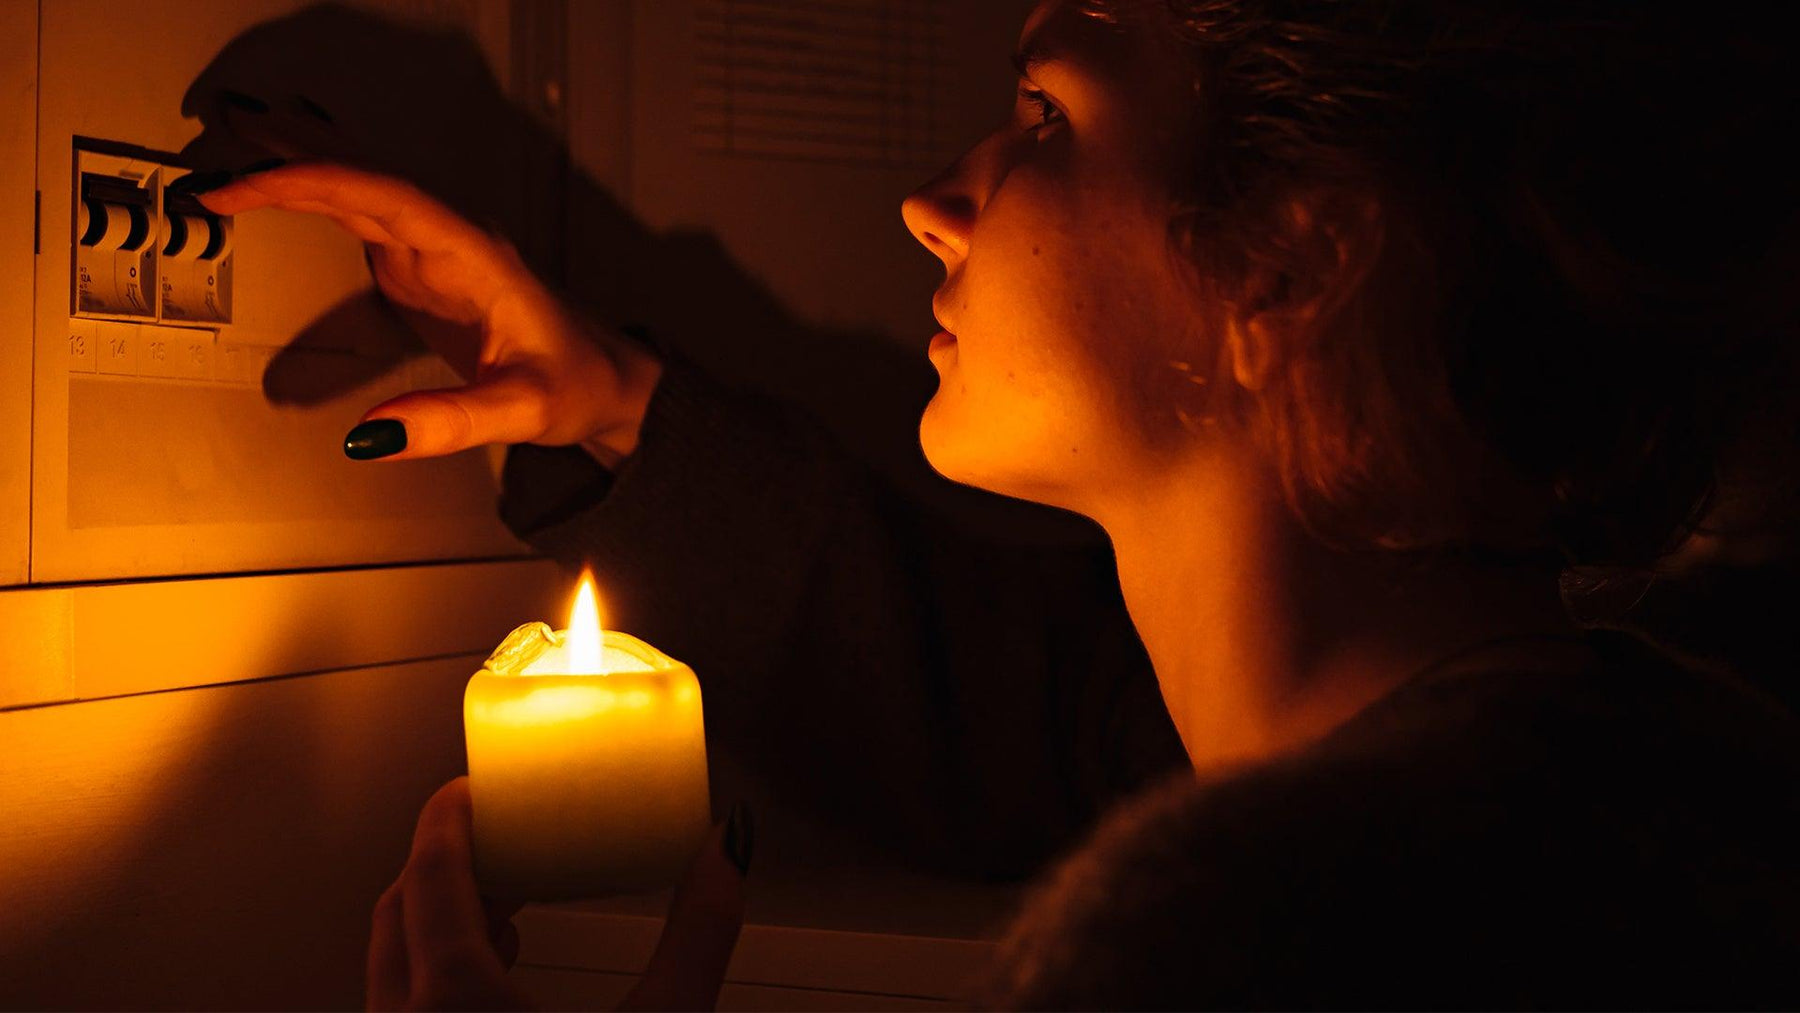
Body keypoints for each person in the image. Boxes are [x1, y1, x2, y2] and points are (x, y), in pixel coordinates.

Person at [198, 0, 1800, 1006]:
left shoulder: (1295, 936)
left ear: (1297, 262)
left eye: (1046, 116)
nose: (935, 198)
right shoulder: (1620, 762)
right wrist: (615, 407)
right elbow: (1023, 726)